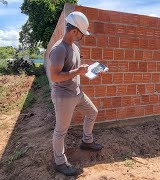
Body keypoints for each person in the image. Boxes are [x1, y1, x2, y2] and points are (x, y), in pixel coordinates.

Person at [47, 11, 103, 176]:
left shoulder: (75, 47)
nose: (82, 36)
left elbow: (72, 67)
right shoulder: (59, 49)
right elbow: (55, 76)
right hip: (63, 96)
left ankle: (87, 141)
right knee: (61, 131)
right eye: (81, 33)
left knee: (92, 112)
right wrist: (78, 71)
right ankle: (60, 161)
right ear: (74, 31)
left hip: (76, 93)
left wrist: (87, 69)